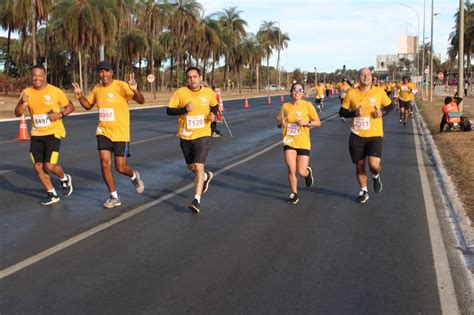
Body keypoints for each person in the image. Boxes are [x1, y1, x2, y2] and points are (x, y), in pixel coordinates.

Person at [72, 61, 145, 208]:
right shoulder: (97, 88)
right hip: (103, 131)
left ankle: (133, 176)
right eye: (101, 72)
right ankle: (114, 196)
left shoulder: (121, 85)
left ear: (111, 72)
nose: (103, 74)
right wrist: (80, 96)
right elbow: (87, 105)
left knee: (120, 167)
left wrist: (135, 90)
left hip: (120, 133)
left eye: (106, 71)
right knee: (105, 163)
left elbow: (141, 101)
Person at [15, 64, 75, 205]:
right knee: (37, 166)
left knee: (49, 165)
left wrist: (59, 114)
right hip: (36, 134)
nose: (37, 78)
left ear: (45, 76)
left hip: (53, 132)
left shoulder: (55, 91)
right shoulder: (27, 92)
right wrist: (22, 104)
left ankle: (64, 178)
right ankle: (52, 194)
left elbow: (70, 106)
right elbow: (17, 113)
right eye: (34, 75)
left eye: (40, 75)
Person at [167, 67, 218, 213]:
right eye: (189, 77)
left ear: (200, 77)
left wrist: (213, 115)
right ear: (186, 79)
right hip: (185, 135)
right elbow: (169, 110)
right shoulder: (180, 93)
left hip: (203, 133)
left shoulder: (208, 92)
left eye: (195, 77)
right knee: (192, 167)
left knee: (198, 165)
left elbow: (214, 106)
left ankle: (196, 200)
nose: (192, 79)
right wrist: (183, 109)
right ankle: (206, 177)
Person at [339, 68, 394, 203]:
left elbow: (390, 106)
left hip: (375, 134)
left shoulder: (379, 92)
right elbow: (342, 112)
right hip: (357, 135)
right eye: (363, 75)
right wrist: (354, 113)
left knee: (373, 165)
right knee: (360, 166)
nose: (366, 77)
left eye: (368, 74)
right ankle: (364, 191)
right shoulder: (351, 93)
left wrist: (382, 113)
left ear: (372, 77)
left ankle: (376, 175)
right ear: (358, 78)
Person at [277, 82, 321, 205]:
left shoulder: (307, 105)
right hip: (289, 141)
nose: (297, 92)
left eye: (300, 90)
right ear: (291, 92)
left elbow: (318, 122)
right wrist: (282, 123)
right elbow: (279, 123)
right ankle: (294, 193)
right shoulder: (285, 106)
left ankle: (307, 173)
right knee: (291, 168)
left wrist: (308, 123)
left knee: (301, 171)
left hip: (303, 142)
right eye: (295, 90)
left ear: (303, 93)